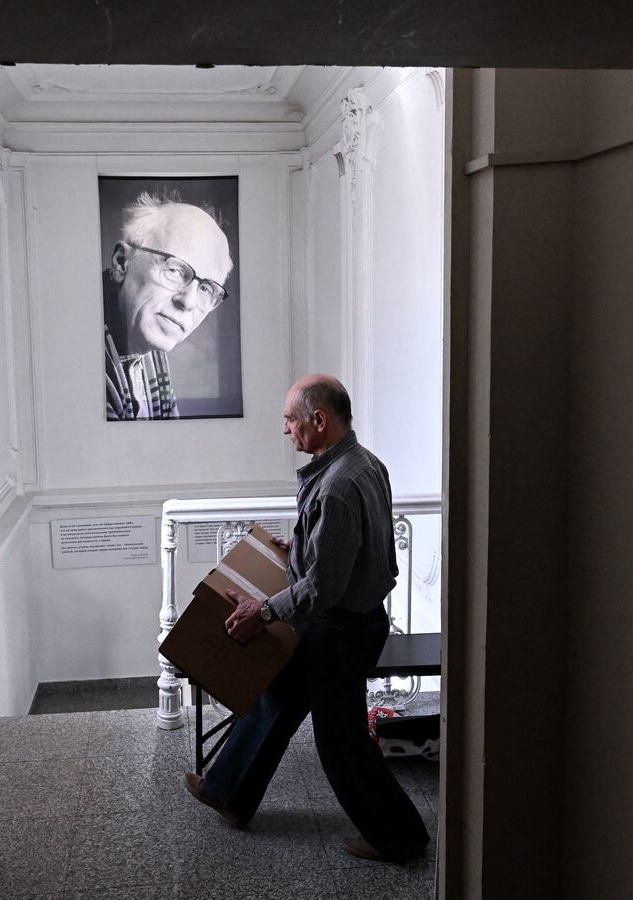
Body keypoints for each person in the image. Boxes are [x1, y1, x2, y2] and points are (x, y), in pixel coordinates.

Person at [182, 374, 431, 862]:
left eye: (289, 419)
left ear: (319, 420)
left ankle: (400, 837)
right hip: (348, 621)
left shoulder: (337, 486)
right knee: (279, 693)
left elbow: (324, 586)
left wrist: (264, 612)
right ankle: (228, 791)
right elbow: (357, 551)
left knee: (341, 742)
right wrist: (300, 548)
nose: (285, 430)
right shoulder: (365, 466)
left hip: (339, 628)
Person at [103, 193, 233, 420]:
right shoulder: (80, 360)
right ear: (122, 263)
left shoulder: (149, 351)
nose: (188, 302)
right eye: (174, 270)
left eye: (205, 289)